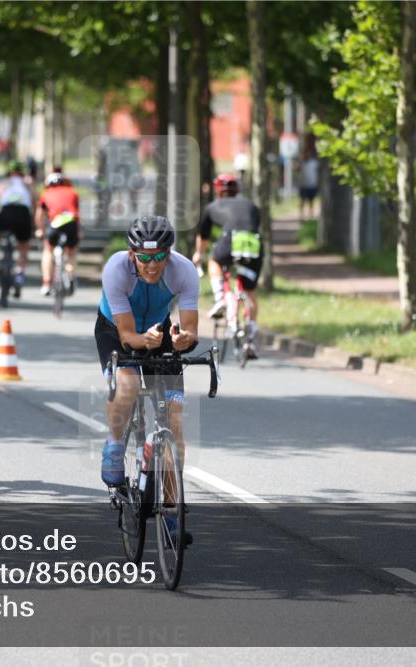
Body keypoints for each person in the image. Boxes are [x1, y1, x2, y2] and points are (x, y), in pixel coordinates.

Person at [96, 216, 199, 544]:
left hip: (159, 330)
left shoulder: (184, 271)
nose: (152, 266)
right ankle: (114, 446)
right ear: (132, 254)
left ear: (169, 253)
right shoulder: (115, 270)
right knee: (127, 386)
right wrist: (145, 341)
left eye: (159, 257)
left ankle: (170, 511)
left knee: (175, 420)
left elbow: (191, 330)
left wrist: (185, 340)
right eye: (144, 258)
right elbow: (128, 336)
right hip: (115, 331)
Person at [194, 173, 263, 329]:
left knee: (214, 260)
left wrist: (199, 254)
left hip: (231, 240)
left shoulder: (212, 206)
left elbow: (203, 236)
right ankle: (251, 334)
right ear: (237, 190)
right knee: (250, 290)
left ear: (218, 191)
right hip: (253, 242)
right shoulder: (251, 205)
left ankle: (220, 299)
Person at [0, 160, 34, 295]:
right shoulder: (28, 183)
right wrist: (33, 221)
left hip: (6, 211)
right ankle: (19, 274)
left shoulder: (2, 183)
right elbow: (35, 201)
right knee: (23, 246)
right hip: (23, 213)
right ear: (22, 172)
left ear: (8, 173)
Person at [34, 170, 81, 296]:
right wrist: (79, 233)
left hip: (55, 223)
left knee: (48, 250)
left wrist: (40, 230)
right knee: (71, 252)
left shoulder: (46, 193)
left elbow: (40, 215)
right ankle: (70, 274)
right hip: (71, 223)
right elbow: (77, 215)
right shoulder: (73, 193)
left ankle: (46, 283)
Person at [299, 151, 320, 221]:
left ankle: (311, 216)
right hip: (303, 186)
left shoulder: (314, 163)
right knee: (302, 202)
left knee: (311, 202)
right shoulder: (302, 164)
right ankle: (302, 216)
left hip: (312, 185)